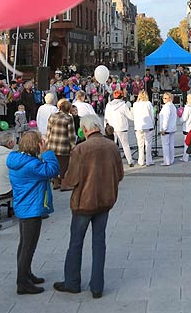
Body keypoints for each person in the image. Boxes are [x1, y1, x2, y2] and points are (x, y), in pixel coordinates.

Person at [53, 114, 124, 299]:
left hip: (83, 203)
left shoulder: (81, 149)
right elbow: (120, 174)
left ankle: (72, 282)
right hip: (105, 201)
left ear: (84, 130)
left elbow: (71, 180)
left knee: (76, 243)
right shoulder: (112, 146)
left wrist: (64, 179)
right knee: (99, 242)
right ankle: (97, 286)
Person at [8, 131, 60, 295]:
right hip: (32, 209)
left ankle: (26, 274)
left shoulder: (17, 159)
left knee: (24, 244)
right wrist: (47, 152)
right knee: (28, 247)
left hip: (23, 206)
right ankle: (22, 283)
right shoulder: (31, 165)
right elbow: (52, 170)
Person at [46, 111, 76, 189]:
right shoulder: (68, 118)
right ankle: (64, 184)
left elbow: (48, 131)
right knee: (64, 165)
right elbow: (71, 134)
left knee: (54, 164)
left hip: (52, 144)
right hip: (64, 145)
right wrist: (73, 145)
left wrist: (47, 142)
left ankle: (55, 182)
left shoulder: (52, 116)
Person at [104, 90, 134, 167]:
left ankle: (111, 160)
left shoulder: (108, 105)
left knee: (112, 145)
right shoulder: (124, 105)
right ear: (122, 96)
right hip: (121, 127)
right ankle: (130, 161)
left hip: (111, 127)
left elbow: (106, 117)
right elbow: (131, 117)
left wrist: (106, 126)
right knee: (125, 145)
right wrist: (131, 109)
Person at [132, 90, 155, 166]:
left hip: (138, 126)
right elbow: (152, 115)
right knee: (148, 143)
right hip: (148, 125)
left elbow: (134, 115)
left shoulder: (135, 104)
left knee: (140, 144)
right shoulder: (148, 104)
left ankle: (141, 160)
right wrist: (153, 123)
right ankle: (149, 160)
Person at [159, 92, 177, 166]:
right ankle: (171, 159)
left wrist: (164, 129)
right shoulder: (173, 106)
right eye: (163, 98)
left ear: (170, 98)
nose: (164, 99)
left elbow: (165, 119)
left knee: (165, 145)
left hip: (167, 129)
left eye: (165, 98)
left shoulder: (166, 107)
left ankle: (166, 161)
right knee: (171, 145)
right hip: (172, 128)